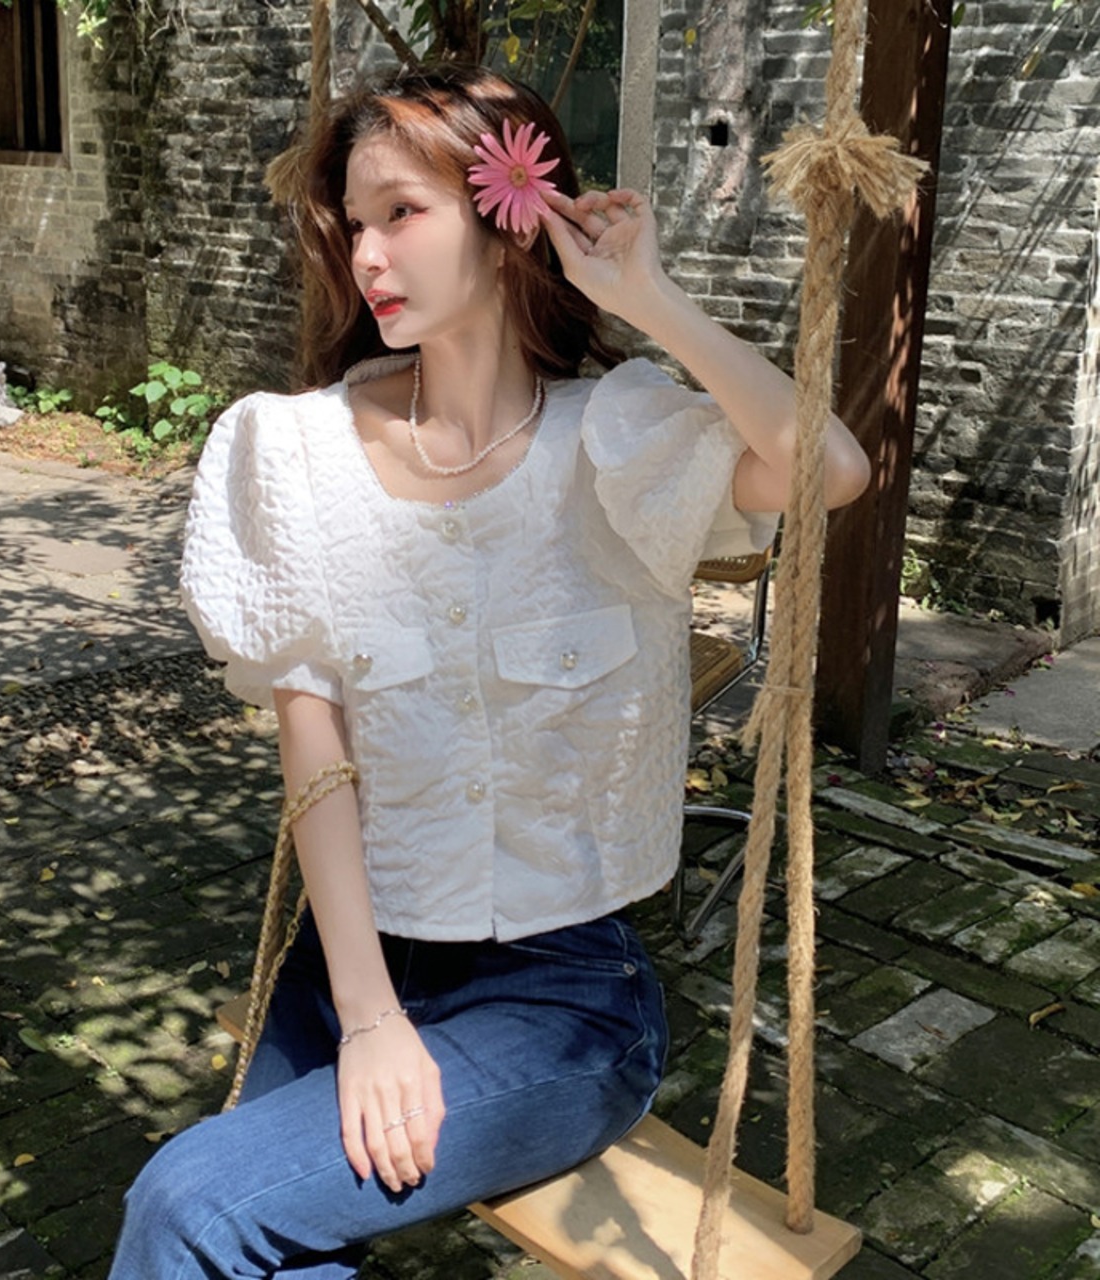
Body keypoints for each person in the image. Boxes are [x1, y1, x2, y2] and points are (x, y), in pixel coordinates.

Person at [109, 63, 870, 1280]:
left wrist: (647, 296)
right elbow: (315, 755)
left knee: (190, 1202)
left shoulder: (613, 439)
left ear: (506, 216)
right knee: (262, 1235)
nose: (366, 255)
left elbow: (827, 468)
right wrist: (369, 1016)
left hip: (558, 1000)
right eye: (354, 223)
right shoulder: (294, 455)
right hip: (352, 957)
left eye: (400, 213)